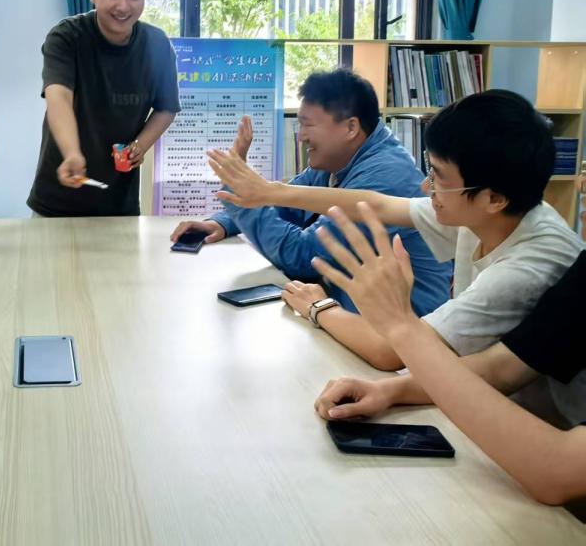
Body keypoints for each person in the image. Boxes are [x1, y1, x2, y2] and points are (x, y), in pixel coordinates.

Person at [208, 89, 583, 370]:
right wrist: (267, 192)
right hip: (460, 379)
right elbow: (378, 205)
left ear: (493, 198)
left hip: (534, 422)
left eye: (438, 176)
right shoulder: (493, 208)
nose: (425, 185)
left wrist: (317, 306)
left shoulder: (521, 271)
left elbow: (393, 352)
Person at [309, 203, 586, 507]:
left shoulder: (535, 258)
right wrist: (392, 390)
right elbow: (503, 367)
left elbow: (557, 471)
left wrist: (402, 328)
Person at [172, 69, 450, 319]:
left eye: (307, 125)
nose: (301, 136)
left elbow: (302, 256)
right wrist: (222, 222)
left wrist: (238, 191)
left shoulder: (384, 175)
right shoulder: (340, 159)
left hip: (405, 328)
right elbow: (281, 202)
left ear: (351, 127)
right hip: (352, 309)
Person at [27, 0, 181, 217]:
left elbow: (166, 107)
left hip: (119, 205)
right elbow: (58, 97)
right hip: (56, 203)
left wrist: (140, 145)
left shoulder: (157, 45)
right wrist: (72, 153)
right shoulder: (66, 37)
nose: (123, 6)